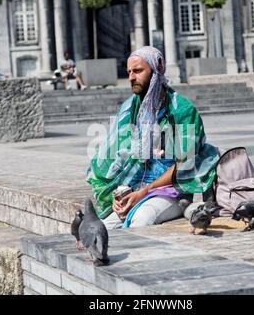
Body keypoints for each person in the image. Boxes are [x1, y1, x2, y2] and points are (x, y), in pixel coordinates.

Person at [86, 46, 220, 229]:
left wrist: (143, 192)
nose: (132, 77)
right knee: (104, 227)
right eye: (129, 72)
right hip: (137, 188)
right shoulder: (130, 108)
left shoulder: (181, 110)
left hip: (172, 191)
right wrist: (118, 196)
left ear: (158, 68)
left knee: (140, 221)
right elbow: (121, 156)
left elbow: (183, 164)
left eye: (138, 70)